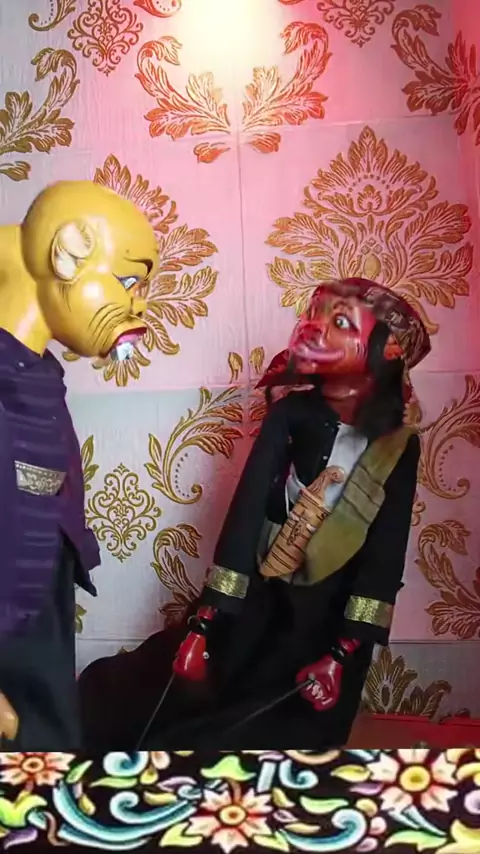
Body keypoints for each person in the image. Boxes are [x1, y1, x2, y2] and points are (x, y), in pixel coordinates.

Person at [79, 277, 429, 750]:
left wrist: (342, 653)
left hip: (325, 631)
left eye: (341, 322)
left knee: (276, 738)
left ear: (388, 352)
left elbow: (383, 560)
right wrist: (204, 624)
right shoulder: (290, 415)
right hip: (256, 601)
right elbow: (245, 519)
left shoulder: (397, 446)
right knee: (165, 704)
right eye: (313, 314)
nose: (313, 327)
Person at [0, 180, 159, 750]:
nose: (140, 307)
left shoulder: (35, 370)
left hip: (37, 605)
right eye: (128, 282)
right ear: (67, 252)